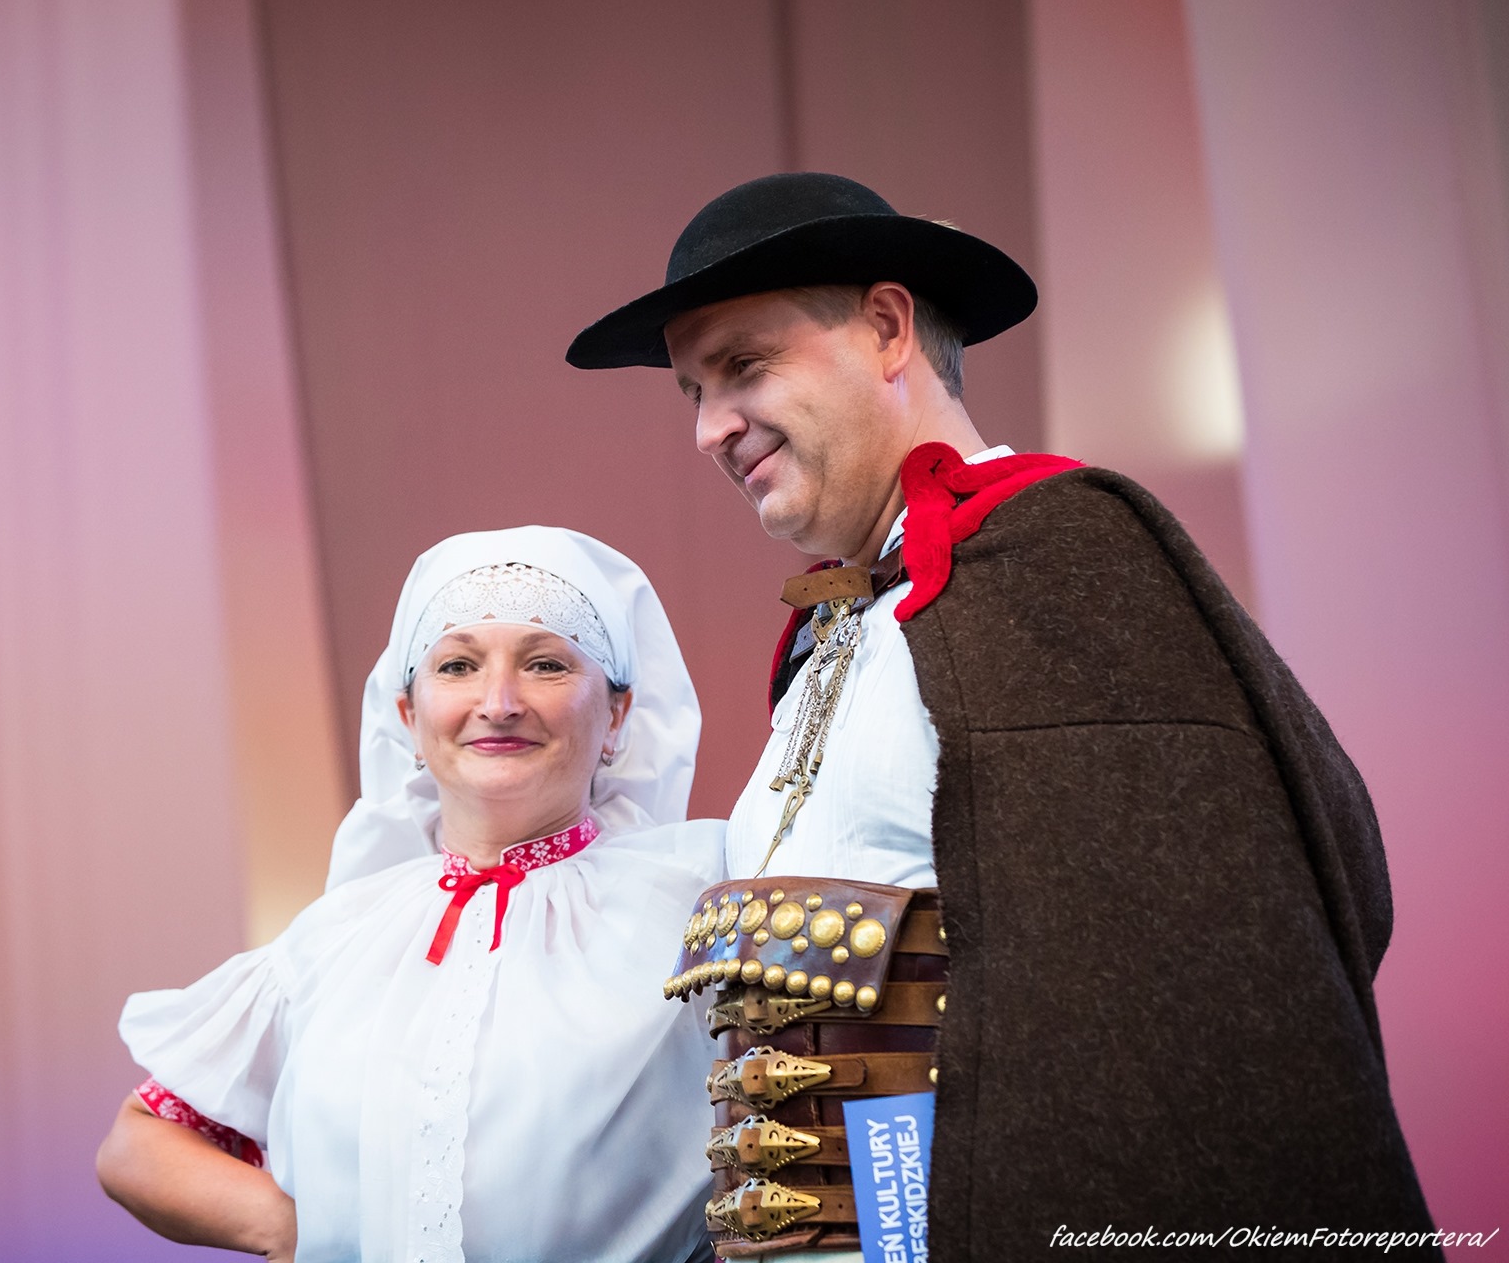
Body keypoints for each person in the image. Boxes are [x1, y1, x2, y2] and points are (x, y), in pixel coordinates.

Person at [567, 173, 1437, 1260]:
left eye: (743, 366)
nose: (709, 428)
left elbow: (1234, 964)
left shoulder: (1069, 561)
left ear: (889, 329)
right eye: (694, 391)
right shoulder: (838, 631)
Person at [97, 526, 723, 1263]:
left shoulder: (703, 905)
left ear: (617, 714)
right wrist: (296, 1229)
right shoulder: (336, 938)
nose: (499, 701)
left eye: (546, 664)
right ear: (409, 719)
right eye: (457, 665)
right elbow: (137, 1143)